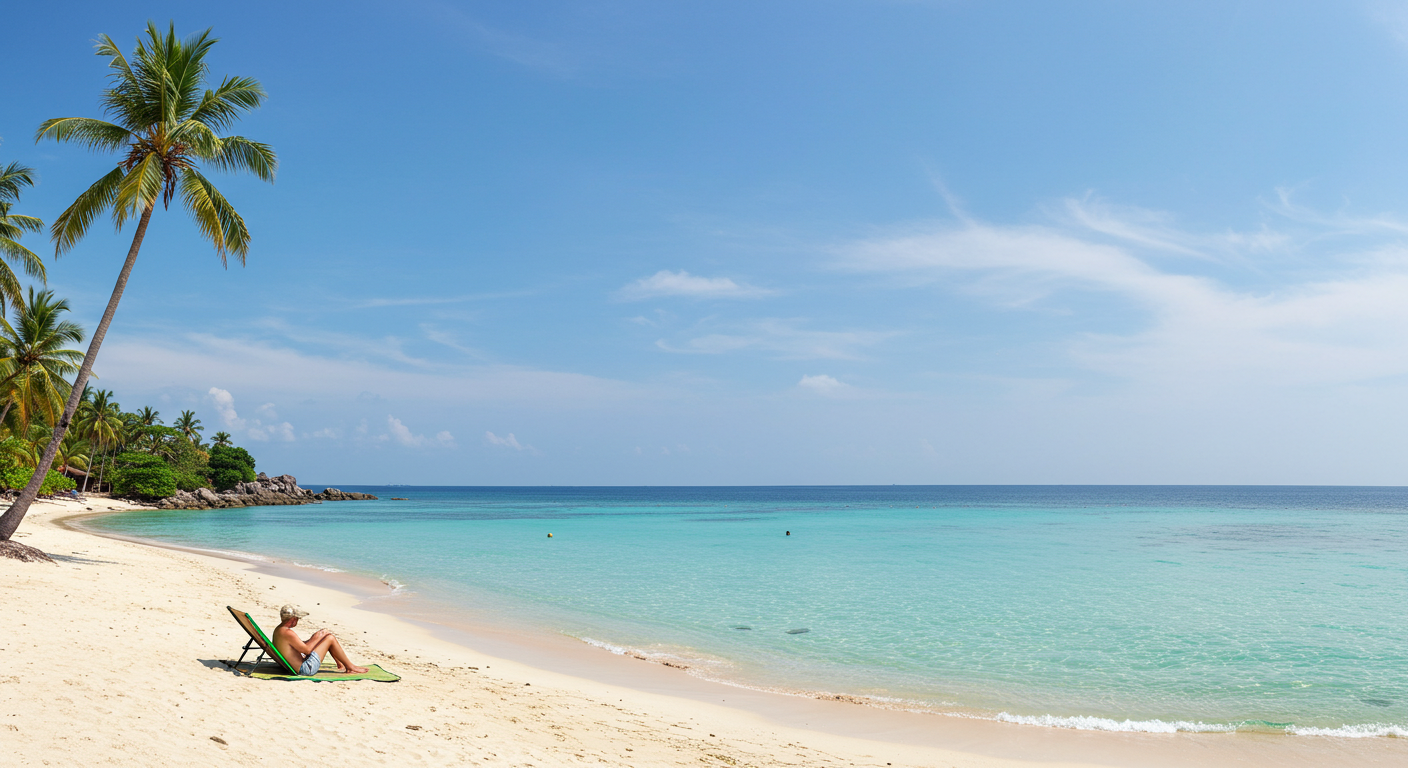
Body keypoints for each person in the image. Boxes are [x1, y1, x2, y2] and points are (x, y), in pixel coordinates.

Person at [270, 604, 368, 675]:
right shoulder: (288, 633)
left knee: (325, 638)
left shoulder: (279, 630)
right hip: (305, 669)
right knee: (330, 638)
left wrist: (318, 637)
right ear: (293, 620)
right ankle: (350, 667)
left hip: (296, 666)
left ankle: (341, 663)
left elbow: (297, 646)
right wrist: (317, 636)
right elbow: (307, 650)